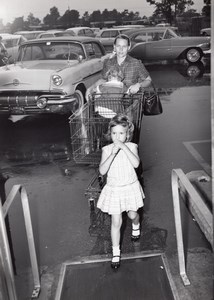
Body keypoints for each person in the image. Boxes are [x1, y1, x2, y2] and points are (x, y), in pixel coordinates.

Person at [97, 114, 145, 269]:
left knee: (132, 215)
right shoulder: (107, 149)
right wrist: (112, 153)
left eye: (121, 133)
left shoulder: (132, 147)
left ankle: (136, 225)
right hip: (115, 190)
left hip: (129, 187)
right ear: (110, 134)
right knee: (116, 222)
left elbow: (136, 164)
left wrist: (124, 147)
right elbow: (102, 171)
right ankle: (115, 252)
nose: (117, 137)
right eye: (114, 133)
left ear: (127, 134)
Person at [86, 34, 151, 99]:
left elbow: (148, 80)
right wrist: (91, 88)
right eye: (118, 46)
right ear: (114, 47)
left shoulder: (136, 63)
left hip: (132, 103)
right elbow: (103, 80)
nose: (121, 49)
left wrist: (139, 85)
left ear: (128, 47)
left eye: (124, 46)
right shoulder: (108, 63)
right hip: (112, 103)